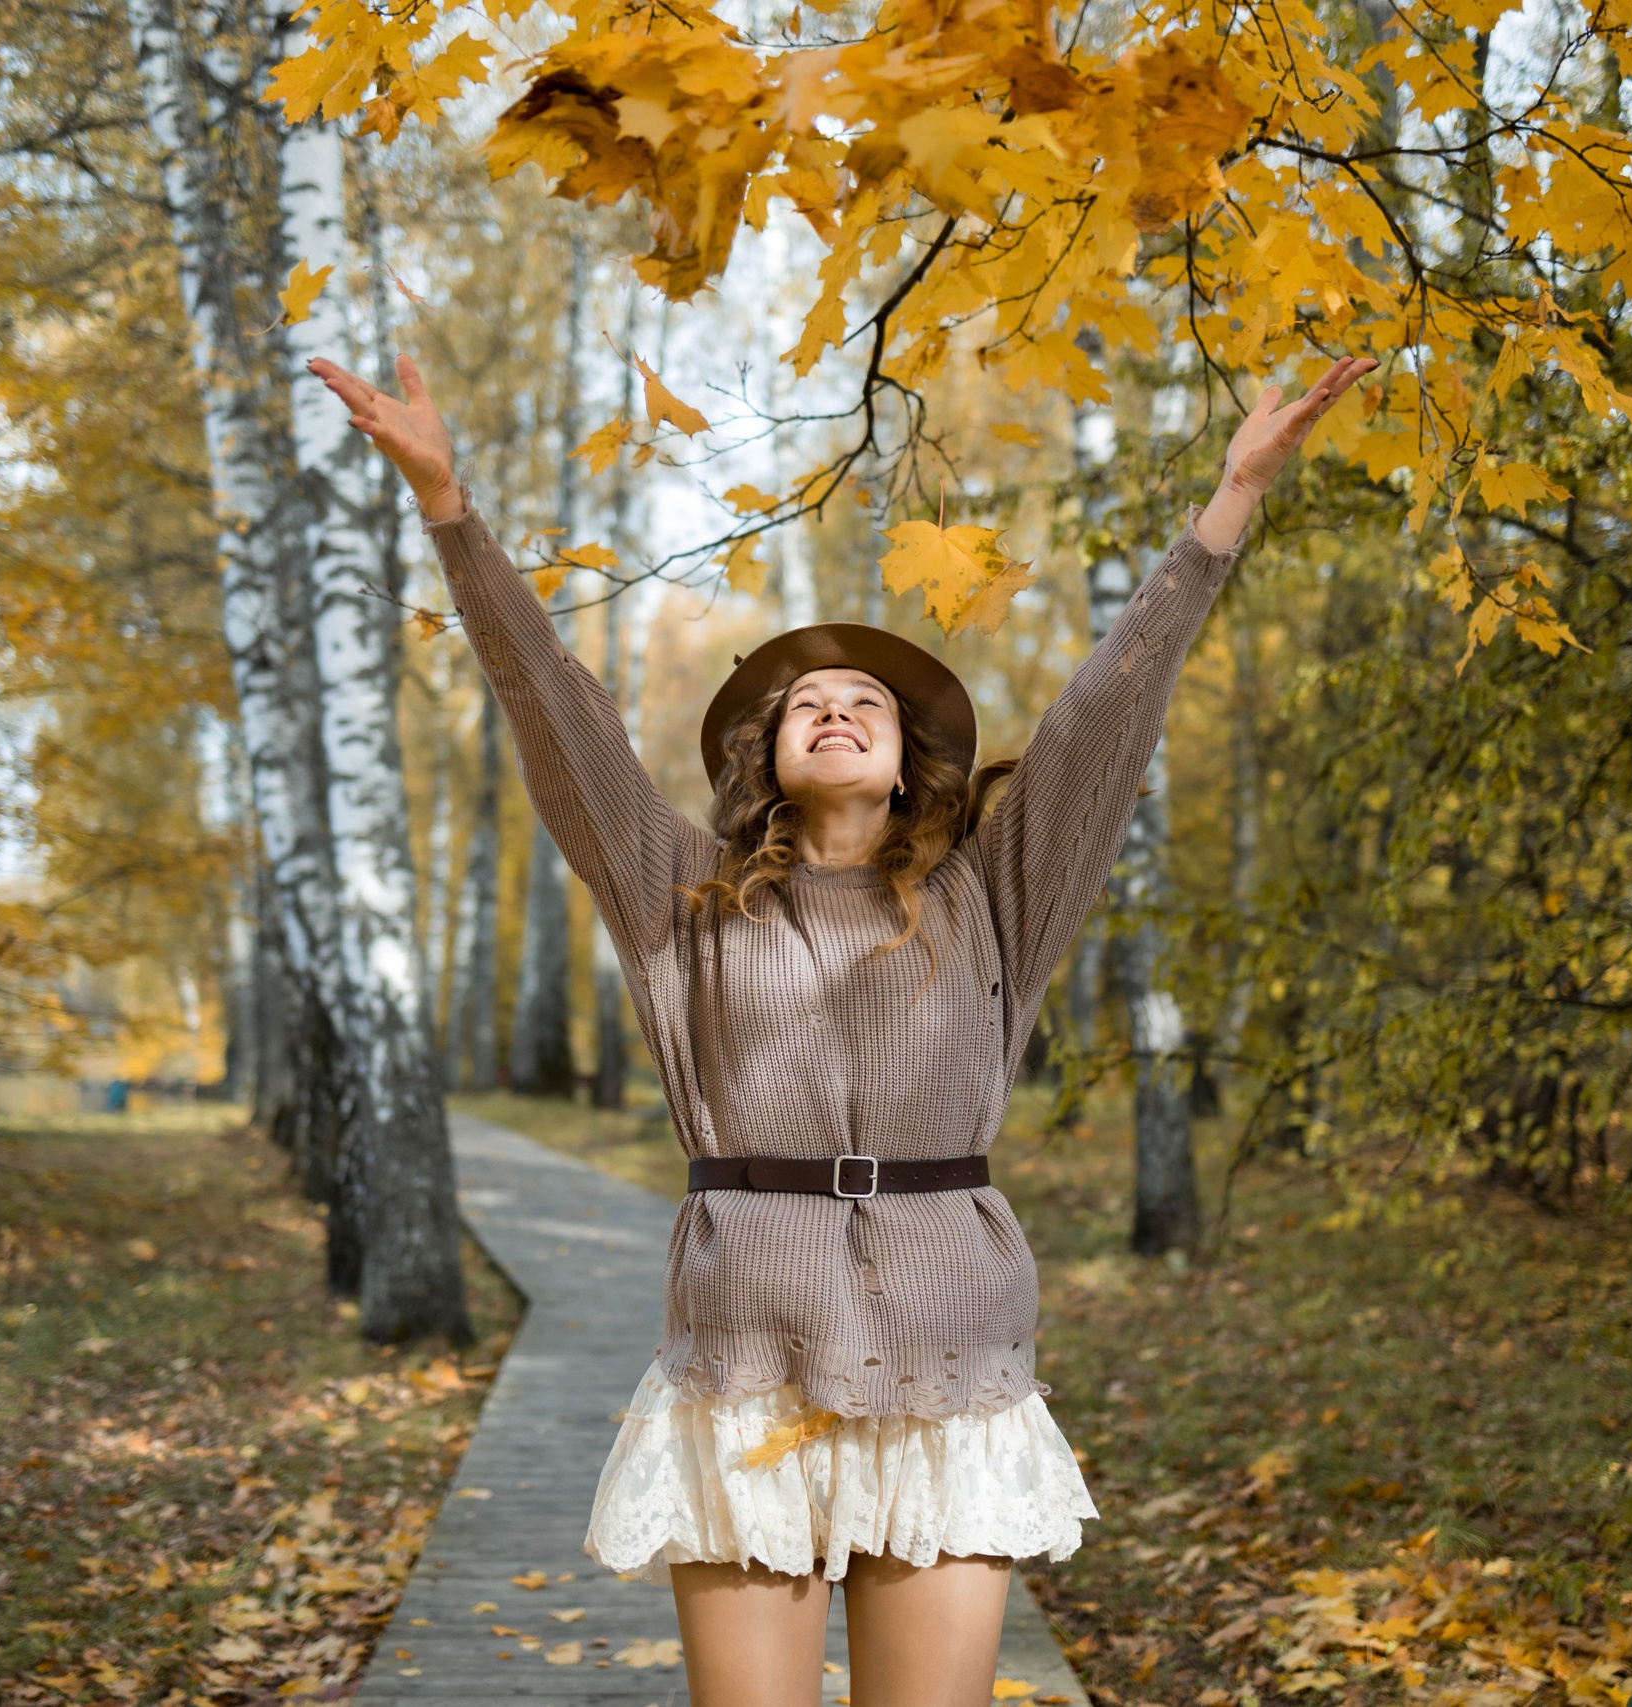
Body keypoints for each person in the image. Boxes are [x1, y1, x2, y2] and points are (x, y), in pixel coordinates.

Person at [310, 346, 1374, 1707]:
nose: (834, 708)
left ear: (906, 755)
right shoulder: (675, 895)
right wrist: (451, 510)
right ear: (765, 755)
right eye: (804, 702)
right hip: (748, 1360)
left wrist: (1225, 509)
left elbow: (1106, 719)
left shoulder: (999, 892)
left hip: (953, 1361)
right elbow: (559, 717)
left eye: (865, 701)